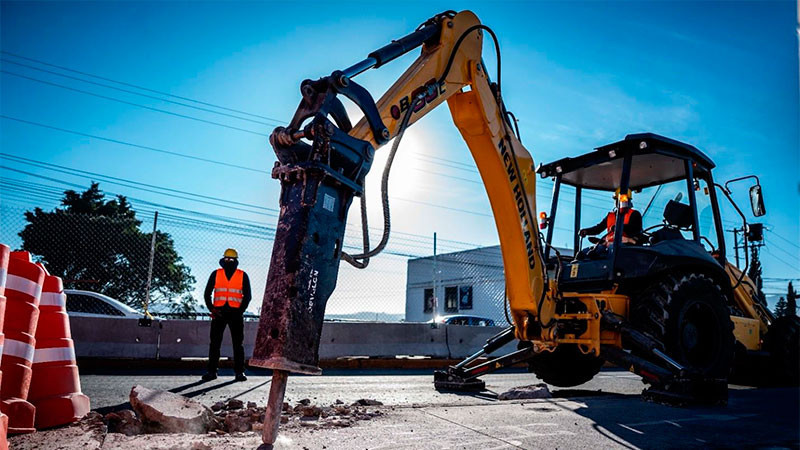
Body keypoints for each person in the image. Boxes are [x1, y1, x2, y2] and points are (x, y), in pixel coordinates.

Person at [201, 248, 251, 382]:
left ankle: (240, 372)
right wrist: (212, 308)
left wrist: (240, 311)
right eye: (227, 259)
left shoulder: (242, 275)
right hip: (219, 313)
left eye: (232, 259)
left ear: (236, 261)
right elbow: (207, 294)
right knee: (215, 344)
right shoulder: (216, 274)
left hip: (236, 313)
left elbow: (248, 296)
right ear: (223, 260)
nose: (229, 261)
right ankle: (212, 372)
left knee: (238, 344)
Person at [578, 188, 642, 258]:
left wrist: (619, 227)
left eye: (621, 200)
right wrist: (586, 231)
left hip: (625, 247)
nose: (618, 202)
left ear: (628, 201)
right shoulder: (610, 216)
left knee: (601, 253)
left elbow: (636, 229)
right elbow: (598, 228)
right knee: (584, 253)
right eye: (616, 200)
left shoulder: (635, 214)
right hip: (608, 246)